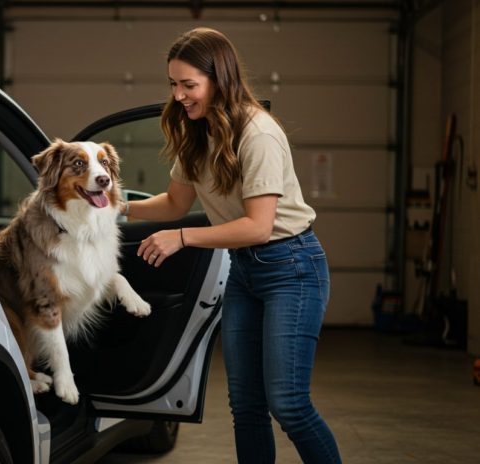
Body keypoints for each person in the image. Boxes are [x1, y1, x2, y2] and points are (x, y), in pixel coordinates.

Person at [120, 27, 342, 463]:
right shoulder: (195, 131)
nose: (179, 95)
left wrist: (183, 238)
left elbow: (259, 227)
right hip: (244, 271)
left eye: (189, 85)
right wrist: (113, 206)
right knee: (246, 407)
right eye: (173, 84)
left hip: (291, 269)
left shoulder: (258, 134)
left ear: (219, 80)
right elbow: (174, 203)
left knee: (289, 405)